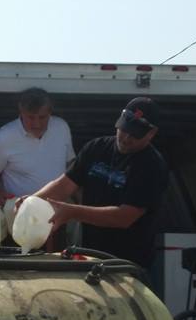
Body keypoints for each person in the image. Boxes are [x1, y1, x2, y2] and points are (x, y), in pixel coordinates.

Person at [30, 97, 169, 268]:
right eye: (124, 129)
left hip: (127, 264)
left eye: (135, 134)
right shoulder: (96, 148)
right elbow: (65, 184)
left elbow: (124, 217)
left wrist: (73, 212)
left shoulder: (152, 166)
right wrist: (31, 201)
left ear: (151, 133)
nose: (126, 138)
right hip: (90, 257)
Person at [0, 88, 75, 204]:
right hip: (20, 209)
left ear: (50, 113)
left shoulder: (61, 127)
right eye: (31, 117)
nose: (37, 124)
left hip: (58, 208)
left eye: (42, 117)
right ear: (21, 112)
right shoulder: (3, 137)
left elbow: (71, 164)